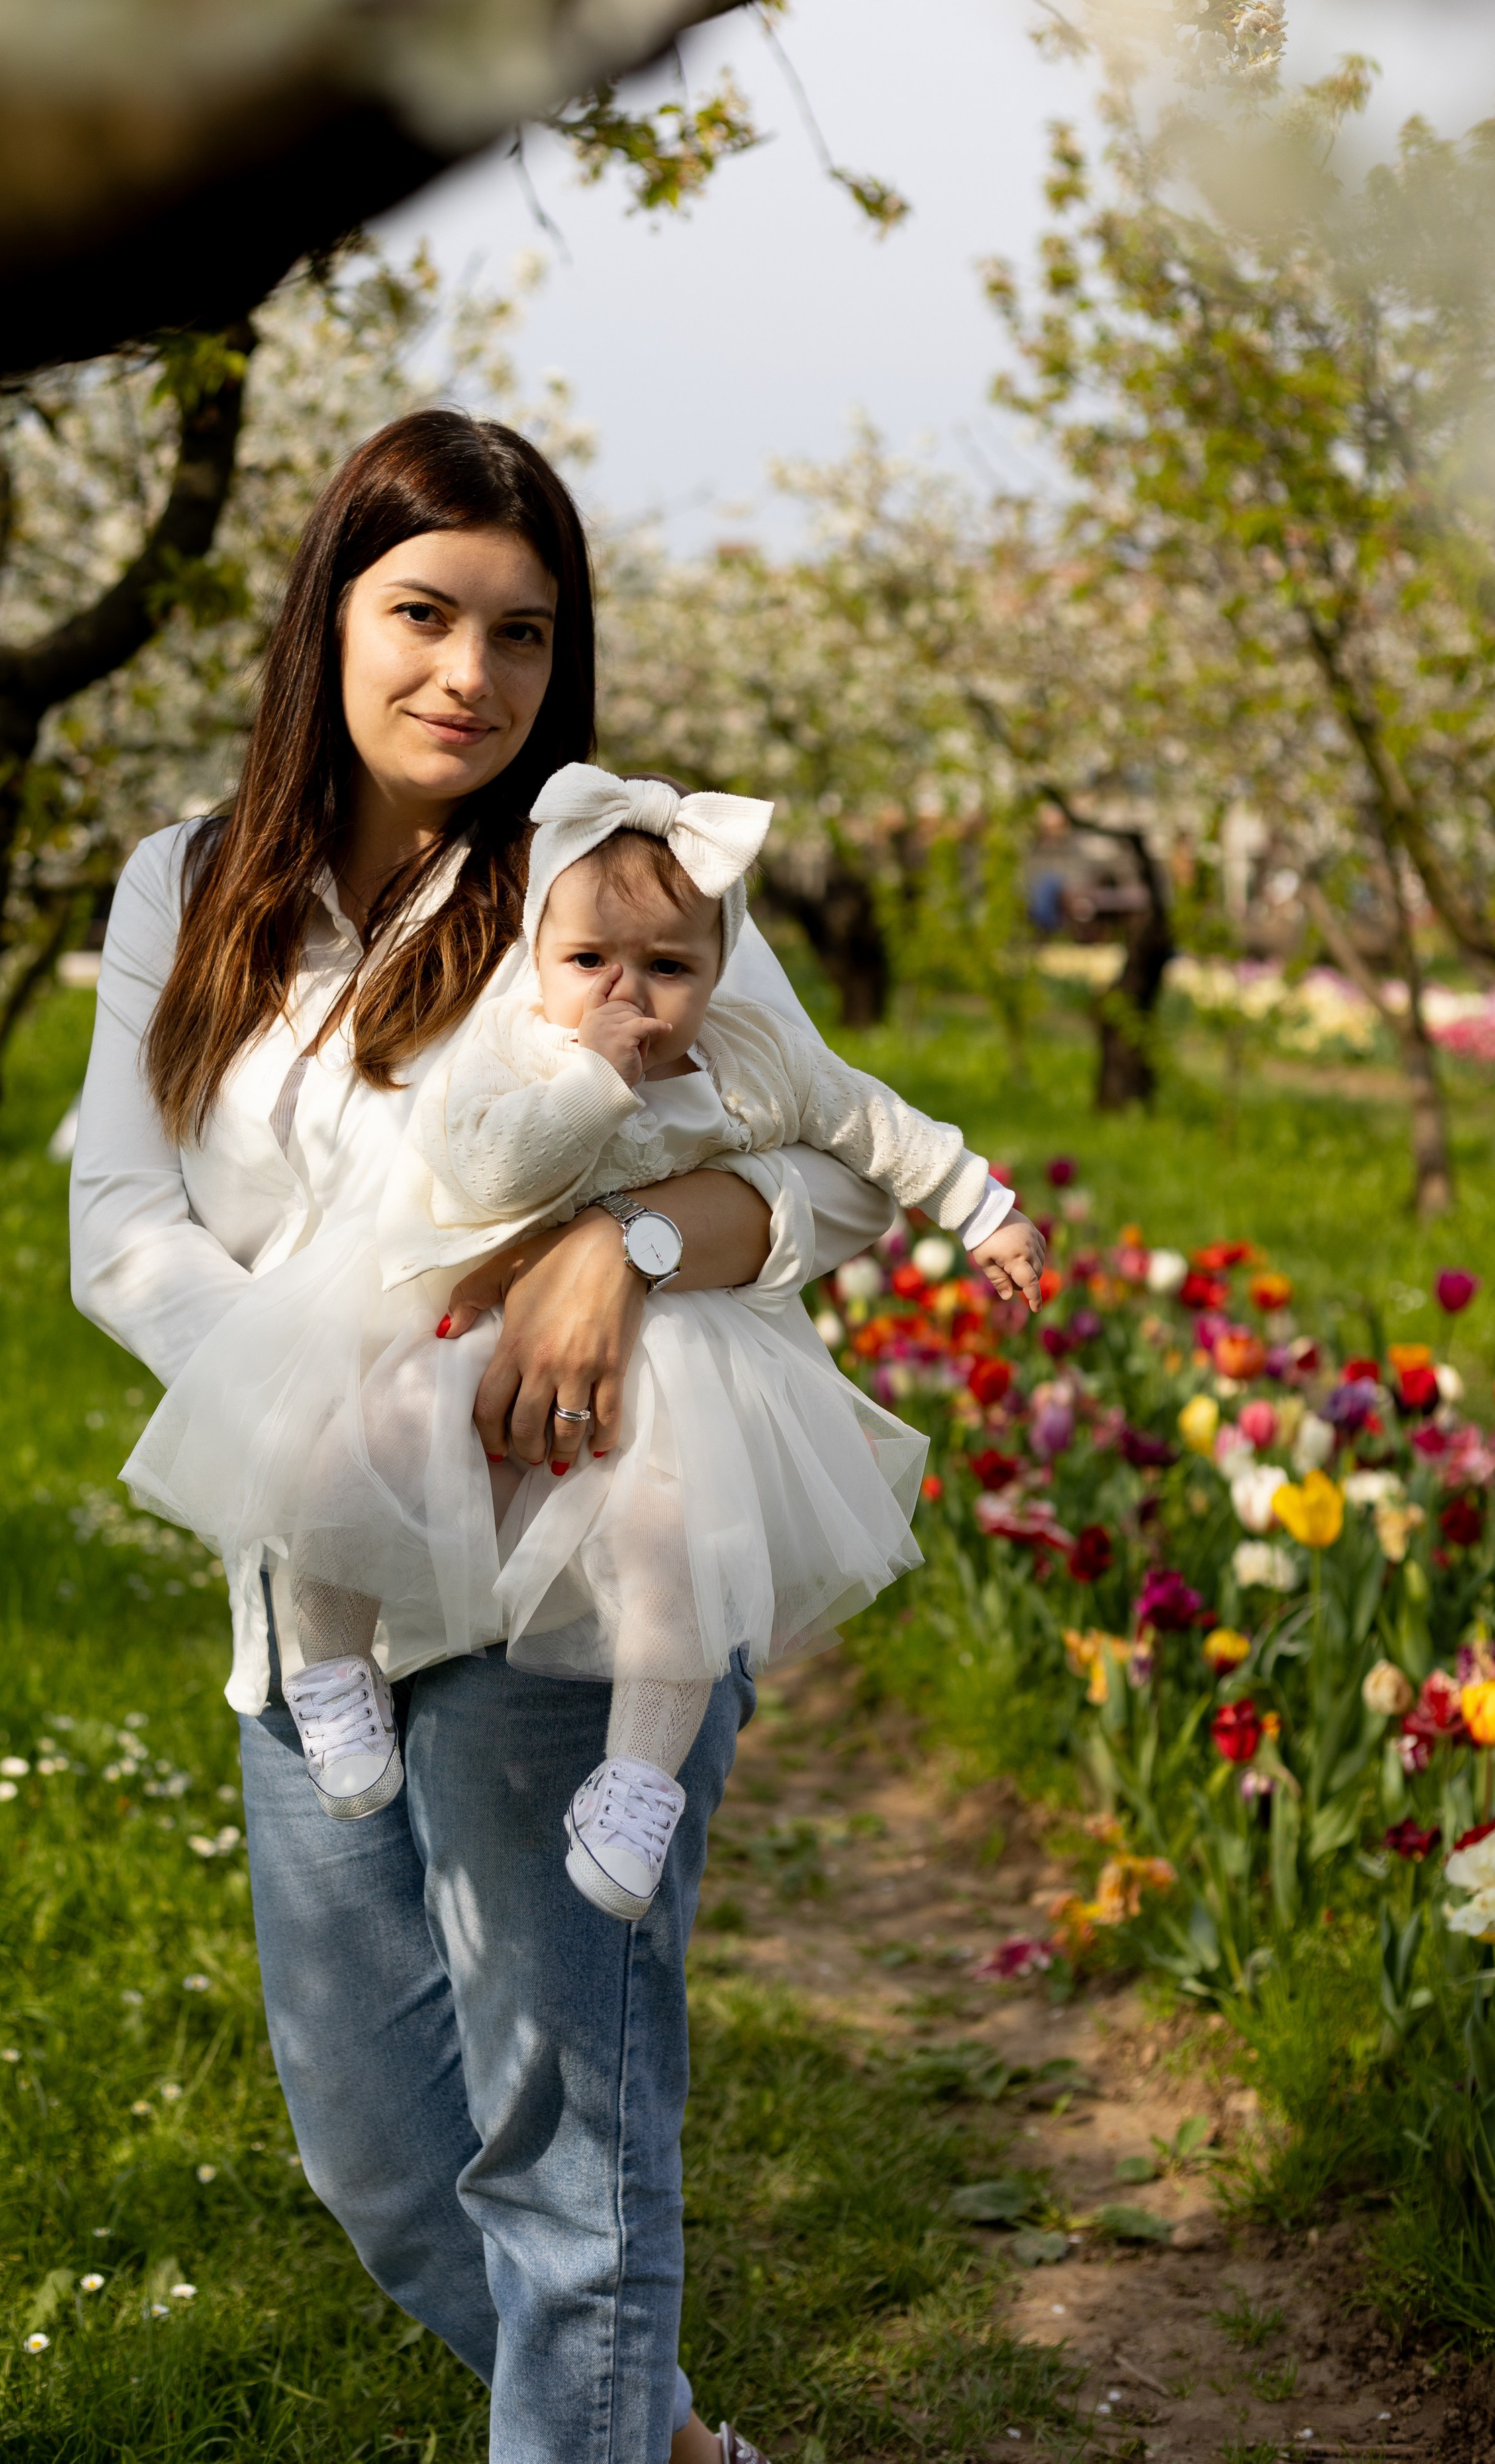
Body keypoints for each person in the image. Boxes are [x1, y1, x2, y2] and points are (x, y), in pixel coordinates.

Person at [69, 409, 1045, 2464]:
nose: (470, 677)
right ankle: (663, 2443)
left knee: (568, 2173)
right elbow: (122, 1228)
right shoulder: (191, 885)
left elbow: (831, 1163)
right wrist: (325, 1401)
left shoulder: (611, 870)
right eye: (423, 614)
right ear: (329, 615)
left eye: (523, 636)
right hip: (317, 1576)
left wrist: (625, 1242)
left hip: (577, 1576)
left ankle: (598, 2426)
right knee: (377, 2155)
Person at [122, 764, 1045, 1923]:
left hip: (665, 1356)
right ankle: (333, 1667)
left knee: (680, 1542)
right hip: (466, 1317)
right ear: (539, 957)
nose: (629, 995)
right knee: (352, 1457)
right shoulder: (515, 1045)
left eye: (670, 969)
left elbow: (872, 1126)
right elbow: (489, 1168)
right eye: (590, 964)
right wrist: (594, 1085)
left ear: (719, 968)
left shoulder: (756, 1055)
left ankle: (636, 1783)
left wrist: (984, 1207)